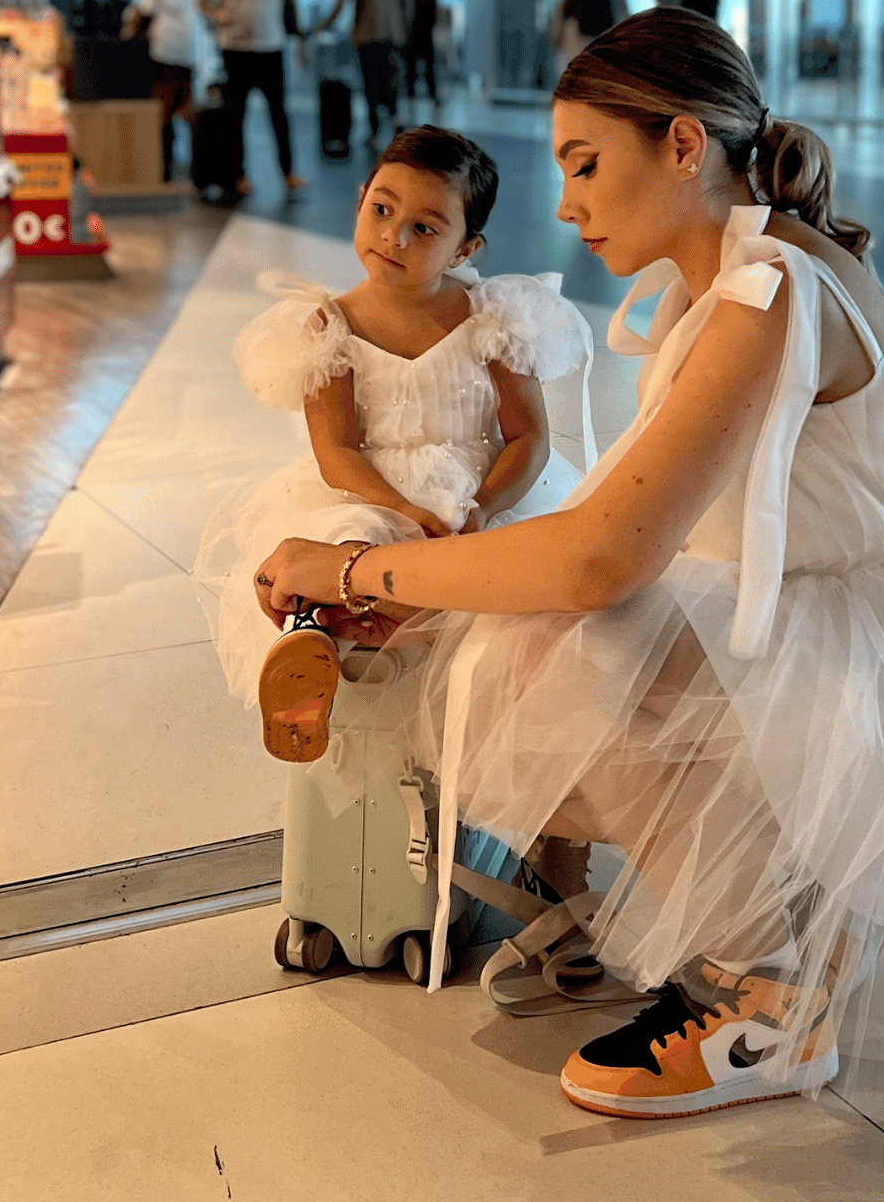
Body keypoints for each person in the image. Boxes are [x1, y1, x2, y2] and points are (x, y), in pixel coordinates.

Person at [252, 8, 884, 1123]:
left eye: (582, 163)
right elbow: (623, 534)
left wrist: (354, 573)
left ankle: (769, 985)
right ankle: (783, 899)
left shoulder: (766, 293)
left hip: (882, 667)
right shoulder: (742, 271)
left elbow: (600, 555)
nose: (564, 203)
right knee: (511, 635)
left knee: (534, 662)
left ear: (678, 146)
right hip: (825, 613)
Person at [196, 125, 592, 761]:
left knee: (526, 567)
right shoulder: (330, 326)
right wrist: (404, 511)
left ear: (466, 250)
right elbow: (337, 454)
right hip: (371, 488)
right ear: (359, 201)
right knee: (344, 538)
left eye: (426, 228)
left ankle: (476, 668)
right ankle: (309, 651)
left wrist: (486, 507)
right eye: (382, 209)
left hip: (477, 488)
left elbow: (529, 437)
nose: (393, 236)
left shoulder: (492, 315)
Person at [197, 0, 307, 201]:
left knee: (279, 114)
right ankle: (239, 175)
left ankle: (287, 172)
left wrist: (299, 42)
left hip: (271, 46)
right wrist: (217, 14)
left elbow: (289, 0)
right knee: (236, 115)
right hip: (235, 47)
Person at [319, 0, 408, 144]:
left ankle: (375, 130)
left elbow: (342, 2)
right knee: (389, 78)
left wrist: (323, 25)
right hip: (391, 34)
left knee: (371, 82)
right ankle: (395, 120)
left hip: (367, 35)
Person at [128, 0, 198, 182]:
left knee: (164, 107)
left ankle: (165, 162)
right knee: (187, 104)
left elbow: (147, 9)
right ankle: (195, 164)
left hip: (165, 47)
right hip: (189, 48)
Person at [405, 0, 442, 103]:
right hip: (414, 36)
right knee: (411, 70)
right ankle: (410, 95)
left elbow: (435, 19)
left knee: (430, 69)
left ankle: (433, 95)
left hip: (427, 37)